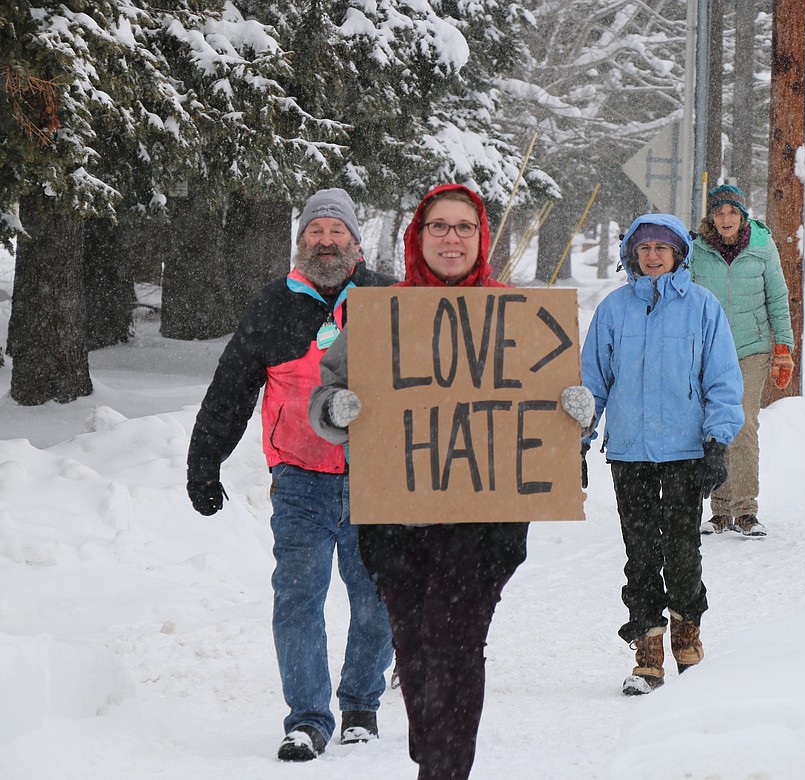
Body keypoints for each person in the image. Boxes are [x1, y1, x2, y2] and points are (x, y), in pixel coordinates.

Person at [308, 183, 591, 780]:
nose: (452, 238)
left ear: (480, 236)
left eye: (464, 227)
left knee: (457, 644)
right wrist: (338, 412)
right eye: (439, 226)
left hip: (484, 523)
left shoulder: (516, 316)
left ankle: (444, 769)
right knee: (413, 650)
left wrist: (575, 411)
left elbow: (545, 410)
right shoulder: (380, 314)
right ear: (419, 236)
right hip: (396, 521)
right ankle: (434, 750)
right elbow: (327, 395)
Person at [186, 188, 396, 761]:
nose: (326, 242)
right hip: (301, 479)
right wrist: (205, 462)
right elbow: (232, 387)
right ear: (301, 239)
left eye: (338, 232)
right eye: (316, 231)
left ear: (355, 240)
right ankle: (307, 718)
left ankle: (360, 705)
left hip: (378, 478)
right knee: (298, 598)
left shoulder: (388, 298)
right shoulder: (273, 304)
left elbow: (444, 382)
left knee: (376, 599)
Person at [580, 214, 744, 695]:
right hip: (630, 450)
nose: (652, 255)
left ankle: (687, 639)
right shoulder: (613, 310)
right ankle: (648, 651)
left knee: (682, 550)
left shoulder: (702, 307)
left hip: (685, 450)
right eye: (644, 247)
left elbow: (721, 379)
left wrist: (717, 440)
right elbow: (593, 382)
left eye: (661, 247)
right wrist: (579, 440)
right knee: (640, 553)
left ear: (678, 254)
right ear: (632, 254)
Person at [690, 184, 794, 538]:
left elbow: (778, 300)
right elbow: (686, 300)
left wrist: (784, 348)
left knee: (744, 425)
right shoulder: (696, 251)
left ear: (743, 215)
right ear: (711, 218)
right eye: (719, 212)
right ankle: (720, 511)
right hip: (710, 351)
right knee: (716, 426)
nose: (725, 219)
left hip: (752, 349)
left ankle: (746, 510)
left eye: (732, 212)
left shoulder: (762, 248)